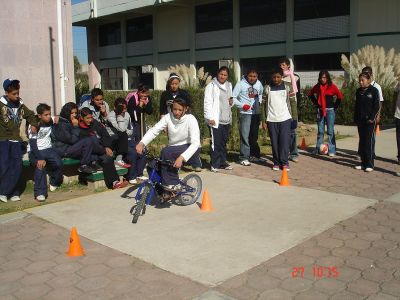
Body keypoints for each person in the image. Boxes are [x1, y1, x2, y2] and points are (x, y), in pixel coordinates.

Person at [136, 98, 200, 190]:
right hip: (173, 149)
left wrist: (182, 157)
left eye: (180, 110)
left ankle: (173, 184)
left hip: (190, 147)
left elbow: (195, 143)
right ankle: (162, 189)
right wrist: (142, 143)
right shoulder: (168, 117)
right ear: (171, 108)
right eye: (174, 109)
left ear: (185, 109)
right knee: (153, 164)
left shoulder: (191, 119)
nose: (177, 112)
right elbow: (154, 130)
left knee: (166, 152)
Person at [0, 79, 38, 202]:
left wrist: (33, 124)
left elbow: (31, 115)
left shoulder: (20, 104)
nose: (17, 96)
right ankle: (4, 192)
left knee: (17, 166)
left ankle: (14, 192)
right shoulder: (0, 104)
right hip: (3, 140)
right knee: (4, 165)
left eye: (18, 93)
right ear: (7, 93)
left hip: (16, 140)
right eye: (14, 94)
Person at [159, 73, 202, 172]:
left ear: (179, 84)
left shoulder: (183, 93)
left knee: (189, 141)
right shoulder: (165, 94)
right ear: (169, 83)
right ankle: (175, 163)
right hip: (171, 121)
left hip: (183, 121)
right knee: (174, 142)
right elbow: (162, 110)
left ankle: (195, 163)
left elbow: (189, 107)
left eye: (176, 84)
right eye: (172, 83)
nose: (174, 86)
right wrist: (163, 124)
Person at [79, 107, 128, 189]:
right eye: (87, 118)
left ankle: (116, 180)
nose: (90, 120)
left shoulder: (95, 123)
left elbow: (105, 135)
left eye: (91, 117)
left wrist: (107, 146)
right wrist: (103, 149)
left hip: (101, 148)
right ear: (81, 118)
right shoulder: (79, 128)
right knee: (107, 159)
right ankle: (114, 183)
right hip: (90, 154)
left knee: (119, 137)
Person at [262, 68, 298, 171]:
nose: (276, 79)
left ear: (282, 77)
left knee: (284, 142)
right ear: (271, 77)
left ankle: (284, 163)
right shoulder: (267, 88)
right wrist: (263, 120)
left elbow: (293, 103)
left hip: (285, 118)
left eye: (278, 77)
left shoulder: (288, 86)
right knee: (274, 142)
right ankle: (276, 162)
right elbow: (263, 105)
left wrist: (294, 118)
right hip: (271, 119)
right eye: (274, 77)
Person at [28, 103, 63, 201]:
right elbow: (33, 144)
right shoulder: (34, 125)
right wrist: (39, 157)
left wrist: (58, 116)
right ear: (39, 116)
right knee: (40, 166)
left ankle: (54, 182)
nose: (48, 117)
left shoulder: (50, 120)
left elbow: (59, 116)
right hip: (35, 150)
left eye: (49, 114)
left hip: (48, 149)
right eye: (46, 115)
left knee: (59, 163)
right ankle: (40, 192)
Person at [204, 66, 234, 172]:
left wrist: (232, 102)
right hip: (215, 120)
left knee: (223, 142)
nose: (223, 76)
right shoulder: (211, 86)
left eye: (225, 75)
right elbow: (207, 102)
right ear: (218, 74)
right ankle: (215, 164)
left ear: (227, 76)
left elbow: (230, 99)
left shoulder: (229, 85)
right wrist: (209, 118)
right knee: (216, 143)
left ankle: (222, 162)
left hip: (226, 119)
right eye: (221, 74)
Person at [52, 102, 96, 174]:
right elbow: (72, 140)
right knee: (88, 141)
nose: (74, 115)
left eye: (75, 113)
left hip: (69, 147)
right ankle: (83, 166)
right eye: (72, 113)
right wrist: (75, 126)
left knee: (92, 149)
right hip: (64, 150)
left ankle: (93, 163)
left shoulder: (68, 121)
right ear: (66, 113)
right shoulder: (62, 125)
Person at [308, 70, 344, 156]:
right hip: (320, 110)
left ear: (327, 78)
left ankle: (332, 150)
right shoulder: (317, 86)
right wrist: (316, 103)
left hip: (330, 111)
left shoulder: (332, 86)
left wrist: (335, 107)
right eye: (321, 77)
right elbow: (310, 94)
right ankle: (318, 149)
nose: (323, 79)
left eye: (324, 77)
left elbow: (339, 96)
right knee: (320, 131)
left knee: (330, 131)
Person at [233, 69, 263, 166]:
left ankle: (254, 155)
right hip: (245, 113)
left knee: (254, 136)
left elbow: (261, 94)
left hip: (255, 113)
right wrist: (242, 105)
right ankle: (243, 157)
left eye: (254, 76)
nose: (252, 78)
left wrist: (259, 102)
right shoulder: (240, 84)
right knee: (245, 136)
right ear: (247, 75)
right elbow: (232, 98)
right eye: (250, 76)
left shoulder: (259, 84)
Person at [126, 84, 153, 184]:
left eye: (146, 95)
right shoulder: (133, 98)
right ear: (139, 92)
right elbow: (133, 115)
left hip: (142, 123)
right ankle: (134, 172)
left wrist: (144, 105)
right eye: (142, 95)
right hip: (134, 124)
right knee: (136, 146)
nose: (144, 97)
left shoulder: (147, 98)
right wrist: (140, 106)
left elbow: (150, 111)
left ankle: (140, 172)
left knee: (143, 144)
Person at [354, 72, 380, 172]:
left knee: (368, 142)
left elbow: (376, 106)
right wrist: (355, 118)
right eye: (359, 80)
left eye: (362, 80)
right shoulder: (358, 91)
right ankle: (363, 162)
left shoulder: (374, 91)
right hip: (360, 120)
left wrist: (372, 117)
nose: (360, 82)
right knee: (362, 141)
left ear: (369, 80)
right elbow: (357, 106)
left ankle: (370, 164)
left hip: (370, 121)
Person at [279, 57, 301, 162]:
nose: (282, 66)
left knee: (292, 131)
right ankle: (283, 152)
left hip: (292, 105)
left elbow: (299, 94)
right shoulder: (279, 78)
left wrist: (297, 108)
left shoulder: (295, 77)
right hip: (282, 107)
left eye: (283, 65)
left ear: (288, 65)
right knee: (282, 132)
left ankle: (293, 153)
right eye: (280, 65)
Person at [361, 66, 384, 159]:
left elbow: (380, 102)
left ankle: (371, 153)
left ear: (370, 75)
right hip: (363, 116)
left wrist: (378, 115)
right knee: (363, 136)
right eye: (363, 73)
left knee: (371, 137)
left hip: (372, 116)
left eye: (366, 73)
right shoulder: (362, 85)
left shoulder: (377, 87)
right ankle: (363, 153)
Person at [107, 97, 132, 168]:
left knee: (137, 151)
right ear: (115, 108)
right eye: (120, 108)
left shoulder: (127, 114)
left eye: (124, 108)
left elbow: (131, 130)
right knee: (122, 133)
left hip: (123, 139)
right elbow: (121, 129)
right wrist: (119, 116)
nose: (123, 111)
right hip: (112, 139)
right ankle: (118, 159)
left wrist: (126, 130)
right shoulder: (111, 116)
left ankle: (137, 175)